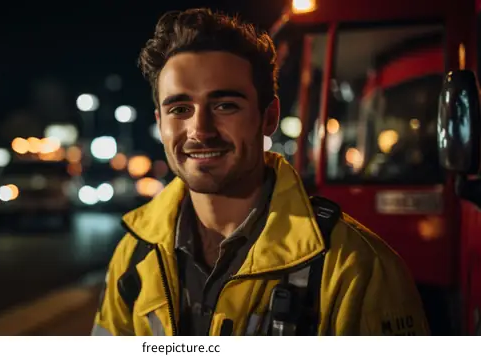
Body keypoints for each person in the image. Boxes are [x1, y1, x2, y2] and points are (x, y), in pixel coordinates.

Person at [91, 8, 429, 336]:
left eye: (225, 106)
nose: (200, 130)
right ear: (160, 123)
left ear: (268, 117)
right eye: (180, 109)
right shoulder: (133, 253)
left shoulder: (357, 267)